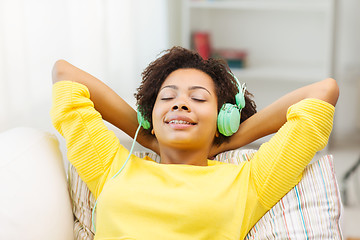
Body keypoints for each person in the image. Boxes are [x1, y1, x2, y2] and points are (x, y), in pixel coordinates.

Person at [51, 46, 339, 239]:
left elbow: (323, 92)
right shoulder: (112, 166)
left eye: (198, 98)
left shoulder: (249, 180)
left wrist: (230, 139)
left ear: (223, 119)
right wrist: (149, 134)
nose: (180, 105)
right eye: (167, 98)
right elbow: (65, 74)